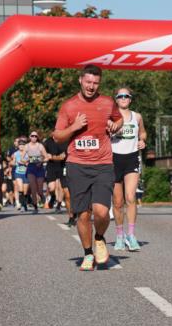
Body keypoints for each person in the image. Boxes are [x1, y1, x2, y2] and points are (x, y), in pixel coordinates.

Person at [53, 65, 122, 271]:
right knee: (82, 214)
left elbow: (119, 119)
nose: (91, 87)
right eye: (88, 82)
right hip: (78, 165)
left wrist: (115, 125)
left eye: (95, 83)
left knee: (101, 212)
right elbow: (57, 136)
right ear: (80, 80)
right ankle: (88, 253)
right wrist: (74, 127)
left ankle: (99, 238)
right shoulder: (69, 106)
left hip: (102, 164)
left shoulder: (108, 102)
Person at [110, 86, 147, 252]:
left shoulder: (137, 116)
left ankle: (131, 235)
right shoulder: (110, 116)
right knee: (117, 202)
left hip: (131, 157)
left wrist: (142, 141)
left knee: (130, 197)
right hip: (113, 159)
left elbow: (143, 133)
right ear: (116, 99)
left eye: (126, 96)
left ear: (130, 99)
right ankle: (119, 235)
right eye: (120, 96)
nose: (123, 98)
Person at [23, 131, 48, 214]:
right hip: (31, 168)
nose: (34, 137)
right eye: (32, 136)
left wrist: (41, 160)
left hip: (39, 168)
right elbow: (22, 158)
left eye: (35, 136)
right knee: (33, 187)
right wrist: (26, 160)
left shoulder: (40, 146)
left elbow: (47, 157)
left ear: (37, 138)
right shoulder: (26, 146)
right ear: (30, 137)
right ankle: (35, 206)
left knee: (40, 190)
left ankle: (41, 195)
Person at [44, 128, 68, 213]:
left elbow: (63, 156)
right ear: (52, 133)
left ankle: (58, 204)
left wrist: (53, 157)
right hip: (51, 166)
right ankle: (53, 196)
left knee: (60, 187)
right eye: (55, 132)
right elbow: (45, 154)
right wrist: (48, 156)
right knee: (51, 187)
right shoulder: (47, 142)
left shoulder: (64, 141)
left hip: (62, 166)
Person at [10, 137, 28, 210]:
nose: (21, 146)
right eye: (20, 145)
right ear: (18, 146)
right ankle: (20, 204)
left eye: (23, 145)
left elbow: (29, 162)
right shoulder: (15, 153)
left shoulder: (27, 153)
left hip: (26, 173)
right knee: (20, 189)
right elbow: (13, 162)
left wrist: (24, 162)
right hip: (18, 173)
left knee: (25, 191)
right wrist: (13, 163)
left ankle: (24, 204)